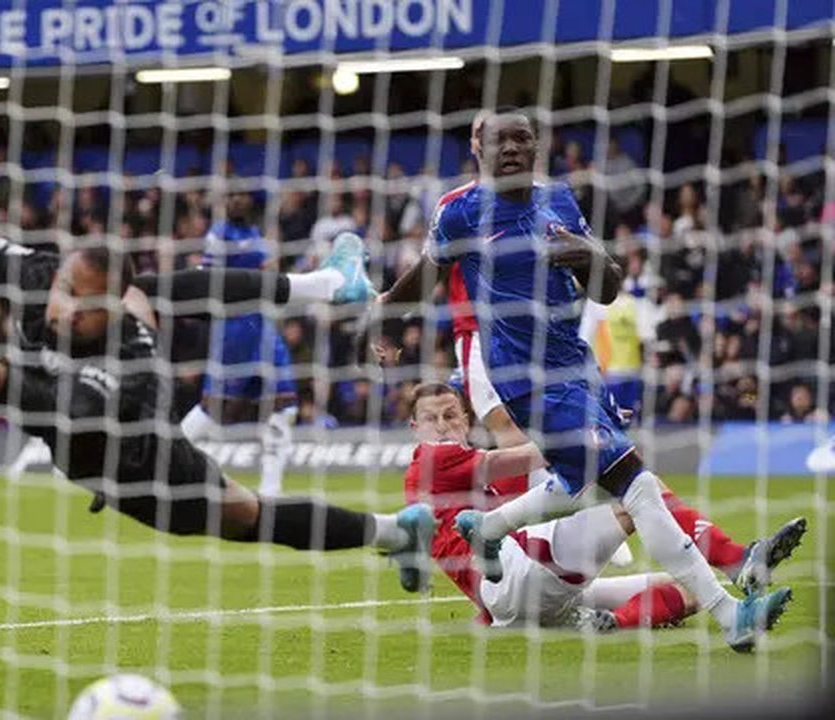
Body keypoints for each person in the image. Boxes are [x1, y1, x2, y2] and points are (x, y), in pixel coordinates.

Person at [0, 74, 418, 558]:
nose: (68, 308)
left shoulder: (135, 360)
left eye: (88, 304)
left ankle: (394, 533)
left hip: (145, 467)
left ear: (118, 312)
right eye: (68, 290)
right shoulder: (41, 273)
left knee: (249, 517)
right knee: (160, 286)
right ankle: (330, 284)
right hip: (73, 441)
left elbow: (58, 403)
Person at [379, 107, 797, 652]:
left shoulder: (559, 199)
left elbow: (608, 287)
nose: (511, 148)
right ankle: (731, 609)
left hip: (576, 365)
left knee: (583, 484)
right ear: (480, 151)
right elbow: (424, 277)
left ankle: (492, 527)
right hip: (526, 379)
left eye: (522, 139)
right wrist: (388, 325)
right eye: (500, 141)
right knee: (636, 485)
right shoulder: (459, 212)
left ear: (537, 146)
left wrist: (587, 256)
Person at [392, 382, 800, 632]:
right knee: (633, 488)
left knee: (689, 587)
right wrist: (597, 432)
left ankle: (610, 623)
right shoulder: (433, 457)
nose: (442, 426)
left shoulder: (463, 472)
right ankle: (736, 559)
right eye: (431, 419)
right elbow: (525, 458)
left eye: (451, 415)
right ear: (415, 429)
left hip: (514, 606)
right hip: (516, 578)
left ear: (466, 419)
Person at [180, 190, 299, 497]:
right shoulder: (220, 234)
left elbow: (269, 273)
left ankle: (271, 489)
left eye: (243, 196)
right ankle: (163, 457)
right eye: (233, 196)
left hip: (263, 325)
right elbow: (208, 278)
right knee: (214, 408)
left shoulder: (255, 234)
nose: (237, 201)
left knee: (285, 404)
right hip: (235, 328)